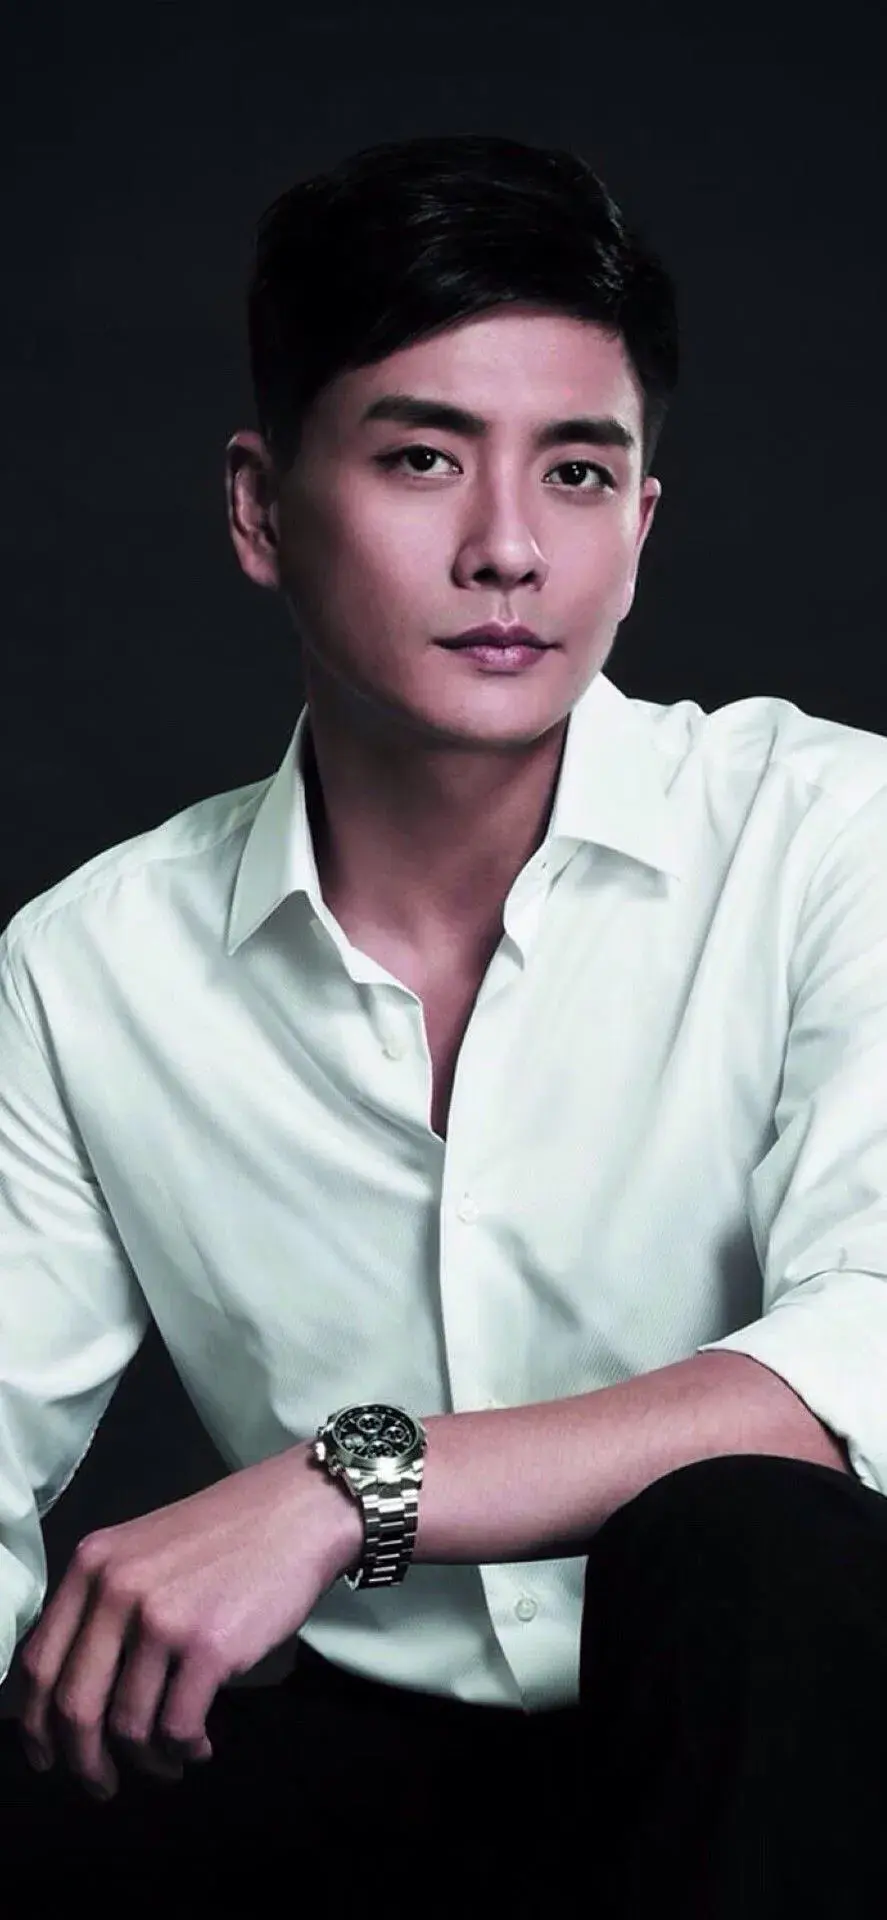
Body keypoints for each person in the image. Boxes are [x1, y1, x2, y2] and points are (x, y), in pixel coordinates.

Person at [1, 130, 886, 1913]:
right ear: (260, 510)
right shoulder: (88, 965)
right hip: (359, 1778)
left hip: (806, 1748)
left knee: (747, 1547)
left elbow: (867, 1345)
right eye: (421, 458)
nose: (506, 549)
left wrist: (343, 1488)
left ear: (640, 525)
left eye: (576, 472)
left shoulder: (830, 833)